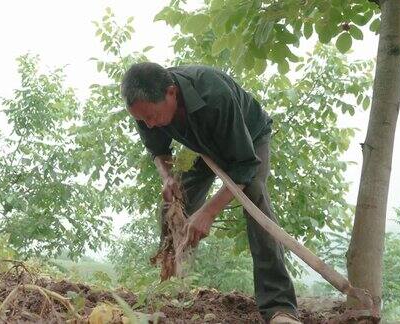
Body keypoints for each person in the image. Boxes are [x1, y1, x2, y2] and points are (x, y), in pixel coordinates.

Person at [120, 62, 301, 324]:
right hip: (204, 146)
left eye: (152, 116)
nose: (149, 124)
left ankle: (279, 307)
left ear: (171, 93)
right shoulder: (146, 108)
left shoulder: (214, 95)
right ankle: (170, 285)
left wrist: (209, 212)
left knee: (254, 197)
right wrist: (168, 177)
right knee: (174, 201)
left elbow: (245, 166)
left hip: (248, 141)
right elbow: (158, 150)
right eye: (142, 120)